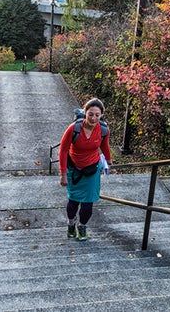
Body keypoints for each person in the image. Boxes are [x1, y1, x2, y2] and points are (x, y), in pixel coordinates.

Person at [58, 98, 112, 241]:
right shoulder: (74, 128)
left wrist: (109, 160)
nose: (93, 118)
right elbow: (63, 151)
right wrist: (63, 174)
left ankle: (82, 227)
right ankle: (71, 224)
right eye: (90, 114)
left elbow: (105, 146)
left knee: (88, 202)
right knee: (73, 201)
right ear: (85, 113)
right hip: (74, 170)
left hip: (92, 170)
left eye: (97, 115)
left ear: (101, 116)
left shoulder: (103, 130)